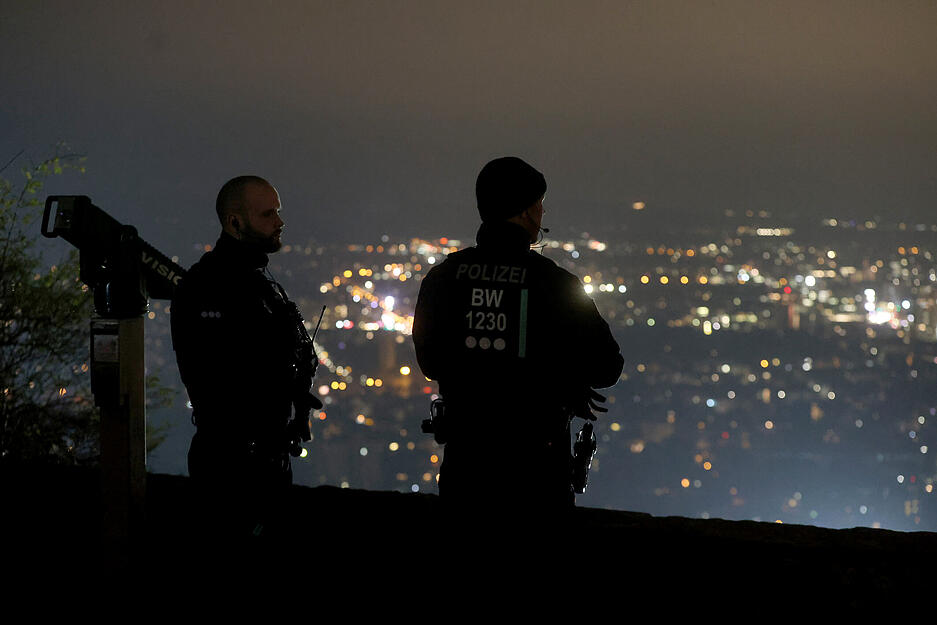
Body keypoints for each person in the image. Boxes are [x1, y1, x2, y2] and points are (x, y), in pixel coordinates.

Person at [413, 156, 623, 517]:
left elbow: (431, 363)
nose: (542, 213)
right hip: (537, 475)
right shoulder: (557, 284)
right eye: (539, 204)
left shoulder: (444, 278)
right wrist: (562, 379)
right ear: (526, 213)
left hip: (467, 469)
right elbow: (607, 366)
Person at [171, 175, 319, 542]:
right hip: (232, 468)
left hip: (265, 460)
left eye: (278, 212)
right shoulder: (209, 286)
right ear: (234, 222)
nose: (279, 222)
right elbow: (220, 379)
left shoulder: (258, 282)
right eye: (268, 214)